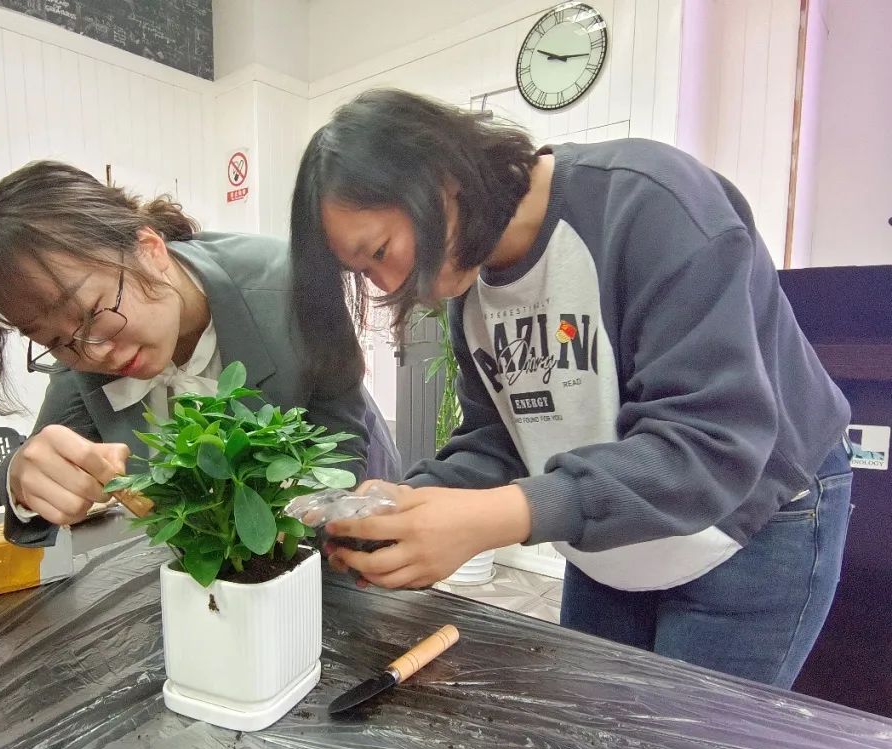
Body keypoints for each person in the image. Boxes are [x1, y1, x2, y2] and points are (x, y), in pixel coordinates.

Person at [289, 88, 853, 687]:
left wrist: (494, 517)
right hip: (613, 536)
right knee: (592, 729)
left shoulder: (649, 202)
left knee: (686, 745)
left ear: (441, 179)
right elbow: (500, 441)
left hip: (753, 521)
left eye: (380, 251)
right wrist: (408, 504)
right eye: (365, 273)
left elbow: (709, 444)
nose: (389, 285)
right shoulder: (472, 291)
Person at [0, 160, 399, 547]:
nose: (94, 353)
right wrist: (23, 482)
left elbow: (339, 428)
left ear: (150, 250)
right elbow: (43, 456)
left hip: (345, 478)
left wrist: (302, 522)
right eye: (53, 341)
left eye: (93, 313)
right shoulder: (80, 352)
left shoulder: (291, 285)